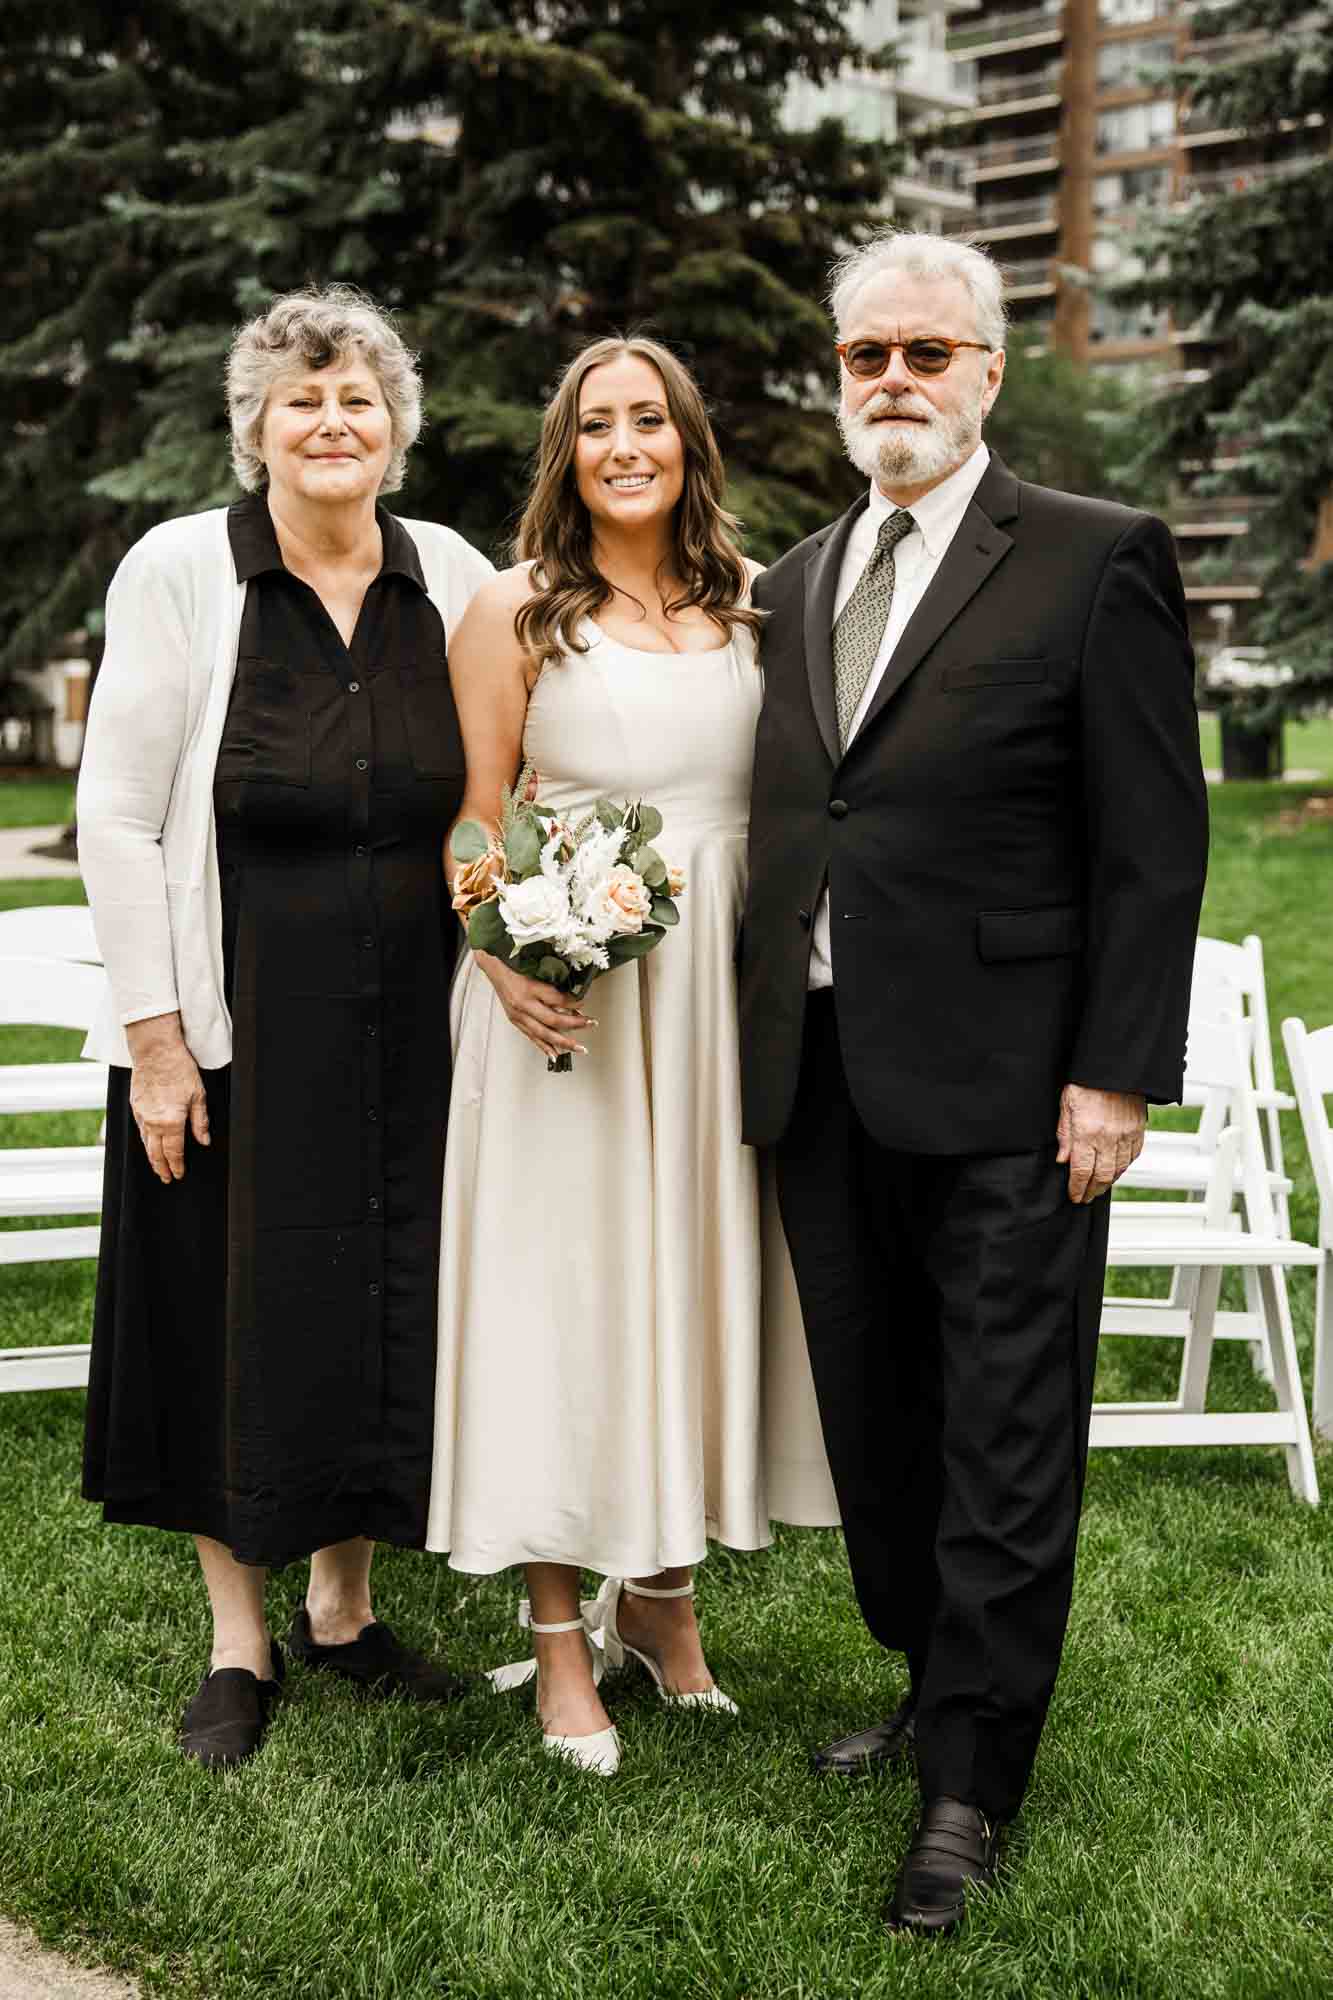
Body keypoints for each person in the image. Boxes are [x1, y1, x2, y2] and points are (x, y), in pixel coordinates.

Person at [738, 232, 1209, 1933]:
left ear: (988, 372)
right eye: (867, 355)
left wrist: (1112, 1073)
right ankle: (935, 1683)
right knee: (879, 1426)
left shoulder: (1092, 558)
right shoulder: (789, 583)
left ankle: (970, 1784)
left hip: (1018, 1094)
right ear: (838, 376)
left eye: (927, 354)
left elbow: (1152, 848)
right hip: (822, 1081)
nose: (895, 382)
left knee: (1005, 1434)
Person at [78, 286, 493, 1768]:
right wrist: (159, 1039)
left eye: (358, 400)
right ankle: (237, 1639)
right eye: (301, 400)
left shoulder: (449, 567)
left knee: (382, 1302)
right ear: (255, 428)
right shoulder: (184, 567)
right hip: (239, 1015)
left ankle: (344, 1607)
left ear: (397, 430)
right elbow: (117, 819)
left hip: (415, 1024)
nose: (332, 423)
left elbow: (504, 775)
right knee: (223, 1309)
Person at [426, 334, 832, 1775]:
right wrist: (497, 945)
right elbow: (478, 812)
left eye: (646, 418)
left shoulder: (758, 611)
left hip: (719, 1003)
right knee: (566, 1297)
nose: (622, 445)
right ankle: (555, 1645)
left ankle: (660, 1610)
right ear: (566, 451)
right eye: (594, 424)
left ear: (686, 440)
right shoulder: (515, 608)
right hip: (568, 1011)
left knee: (693, 1282)